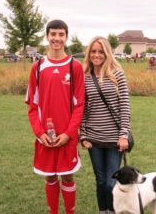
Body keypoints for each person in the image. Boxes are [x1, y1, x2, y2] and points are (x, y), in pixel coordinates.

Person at [25, 19, 85, 214]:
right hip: (45, 136)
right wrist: (39, 132)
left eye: (61, 34)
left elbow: (80, 105)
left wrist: (68, 133)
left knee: (67, 176)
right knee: (50, 177)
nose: (57, 38)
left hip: (67, 136)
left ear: (66, 37)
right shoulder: (38, 67)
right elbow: (32, 106)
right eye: (53, 34)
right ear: (47, 36)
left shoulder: (74, 67)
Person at [80, 36, 131, 214]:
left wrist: (123, 134)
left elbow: (125, 106)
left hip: (114, 139)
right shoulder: (84, 77)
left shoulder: (117, 74)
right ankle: (103, 211)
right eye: (93, 51)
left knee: (111, 182)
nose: (96, 55)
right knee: (100, 180)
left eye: (100, 51)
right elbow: (83, 109)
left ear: (107, 53)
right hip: (93, 139)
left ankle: (113, 209)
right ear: (88, 54)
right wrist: (83, 135)